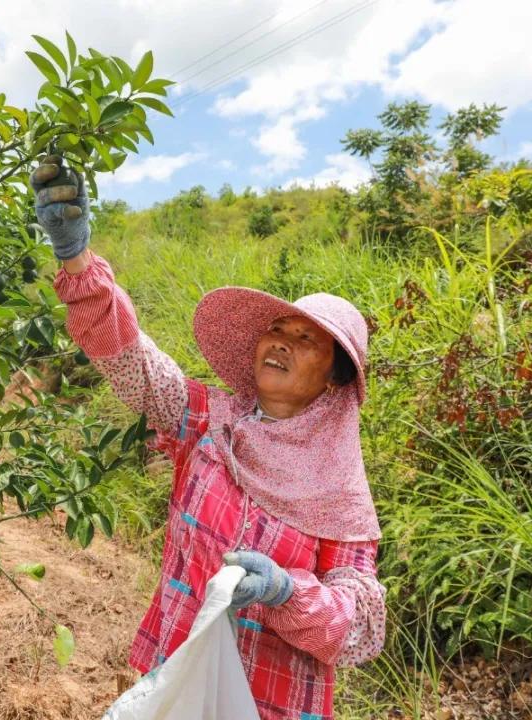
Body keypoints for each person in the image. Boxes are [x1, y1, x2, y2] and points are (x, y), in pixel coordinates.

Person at [31, 155, 387, 720]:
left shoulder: (338, 491)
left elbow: (360, 628)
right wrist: (77, 258)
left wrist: (286, 594)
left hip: (271, 703)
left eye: (306, 340)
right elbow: (129, 357)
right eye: (278, 327)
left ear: (334, 379)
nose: (283, 341)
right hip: (177, 682)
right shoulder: (207, 422)